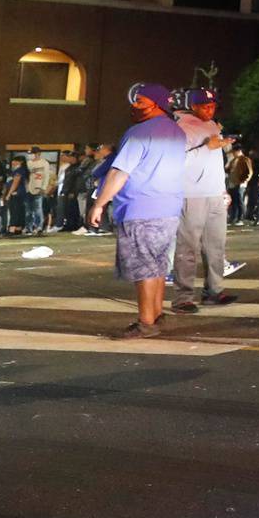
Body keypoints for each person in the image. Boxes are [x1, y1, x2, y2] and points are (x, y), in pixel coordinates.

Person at [88, 84, 188, 339]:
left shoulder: (139, 133)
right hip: (169, 206)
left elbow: (120, 171)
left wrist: (100, 203)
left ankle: (145, 322)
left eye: (140, 101)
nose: (134, 105)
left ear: (155, 103)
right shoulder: (176, 131)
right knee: (157, 264)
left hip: (140, 206)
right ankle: (156, 314)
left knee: (143, 266)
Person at [171, 88, 241, 314]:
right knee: (188, 247)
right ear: (192, 105)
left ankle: (214, 290)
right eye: (204, 105)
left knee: (216, 246)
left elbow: (215, 163)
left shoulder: (212, 126)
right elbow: (177, 162)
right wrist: (205, 148)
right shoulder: (180, 127)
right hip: (191, 194)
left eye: (212, 105)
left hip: (214, 194)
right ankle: (183, 297)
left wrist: (223, 189)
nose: (210, 109)